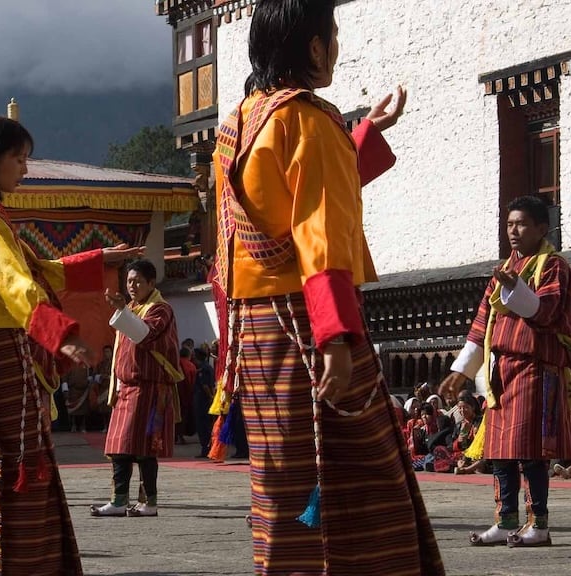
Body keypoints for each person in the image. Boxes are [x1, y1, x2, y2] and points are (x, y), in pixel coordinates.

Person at [209, 1, 443, 573]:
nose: (336, 47)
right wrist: (335, 338)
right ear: (313, 46)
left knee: (284, 481)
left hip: (256, 333)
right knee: (365, 478)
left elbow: (292, 196)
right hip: (308, 326)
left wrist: (363, 134)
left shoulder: (241, 121)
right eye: (332, 35)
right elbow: (319, 233)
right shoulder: (309, 122)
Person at [0, 115, 141, 575]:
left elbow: (36, 271)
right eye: (19, 159)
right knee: (13, 458)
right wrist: (59, 334)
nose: (25, 169)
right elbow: (16, 284)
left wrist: (99, 259)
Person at [440, 194, 571, 547]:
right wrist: (461, 371)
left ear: (542, 228)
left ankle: (539, 525)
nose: (513, 231)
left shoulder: (554, 266)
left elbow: (547, 312)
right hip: (501, 371)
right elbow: (482, 323)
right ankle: (505, 520)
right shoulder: (503, 270)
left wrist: (516, 288)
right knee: (499, 450)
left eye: (522, 224)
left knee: (530, 451)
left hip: (535, 367)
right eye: (510, 224)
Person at [91, 259, 182, 517]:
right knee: (118, 448)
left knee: (144, 450)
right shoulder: (131, 308)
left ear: (151, 283)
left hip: (148, 387)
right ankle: (119, 501)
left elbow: (144, 334)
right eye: (129, 281)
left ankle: (149, 503)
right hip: (126, 389)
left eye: (138, 281)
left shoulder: (160, 309)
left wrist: (123, 310)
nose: (132, 286)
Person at [193, 347, 216, 458]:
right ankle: (208, 448)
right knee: (207, 425)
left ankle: (206, 450)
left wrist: (210, 397)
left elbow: (205, 385)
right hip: (205, 400)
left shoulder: (203, 369)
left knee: (203, 426)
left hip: (202, 401)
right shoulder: (208, 367)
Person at [175, 346, 196, 444]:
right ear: (189, 355)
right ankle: (180, 436)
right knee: (183, 416)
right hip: (186, 394)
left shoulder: (175, 363)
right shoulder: (191, 366)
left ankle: (174, 436)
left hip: (174, 393)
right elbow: (193, 382)